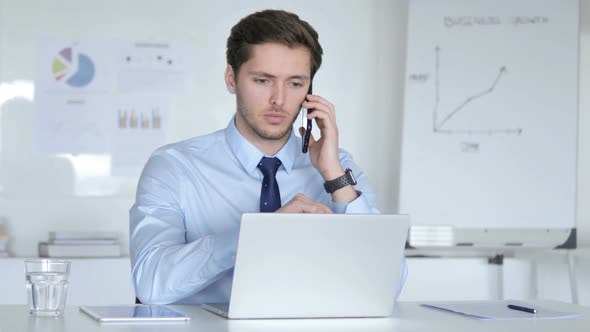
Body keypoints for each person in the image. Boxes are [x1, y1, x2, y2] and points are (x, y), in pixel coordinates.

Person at [130, 9, 380, 305]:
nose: (279, 99)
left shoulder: (339, 168)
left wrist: (334, 176)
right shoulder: (174, 166)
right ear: (231, 79)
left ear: (310, 92)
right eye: (263, 80)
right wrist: (255, 236)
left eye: (295, 84)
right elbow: (150, 284)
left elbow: (382, 283)